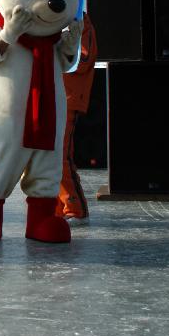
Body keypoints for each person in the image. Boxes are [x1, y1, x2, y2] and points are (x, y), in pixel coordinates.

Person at [57, 13, 97, 220]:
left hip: (69, 98)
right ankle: (58, 206)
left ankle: (74, 206)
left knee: (61, 156)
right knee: (48, 156)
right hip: (55, 96)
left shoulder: (80, 21)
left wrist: (64, 45)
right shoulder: (50, 21)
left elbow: (83, 60)